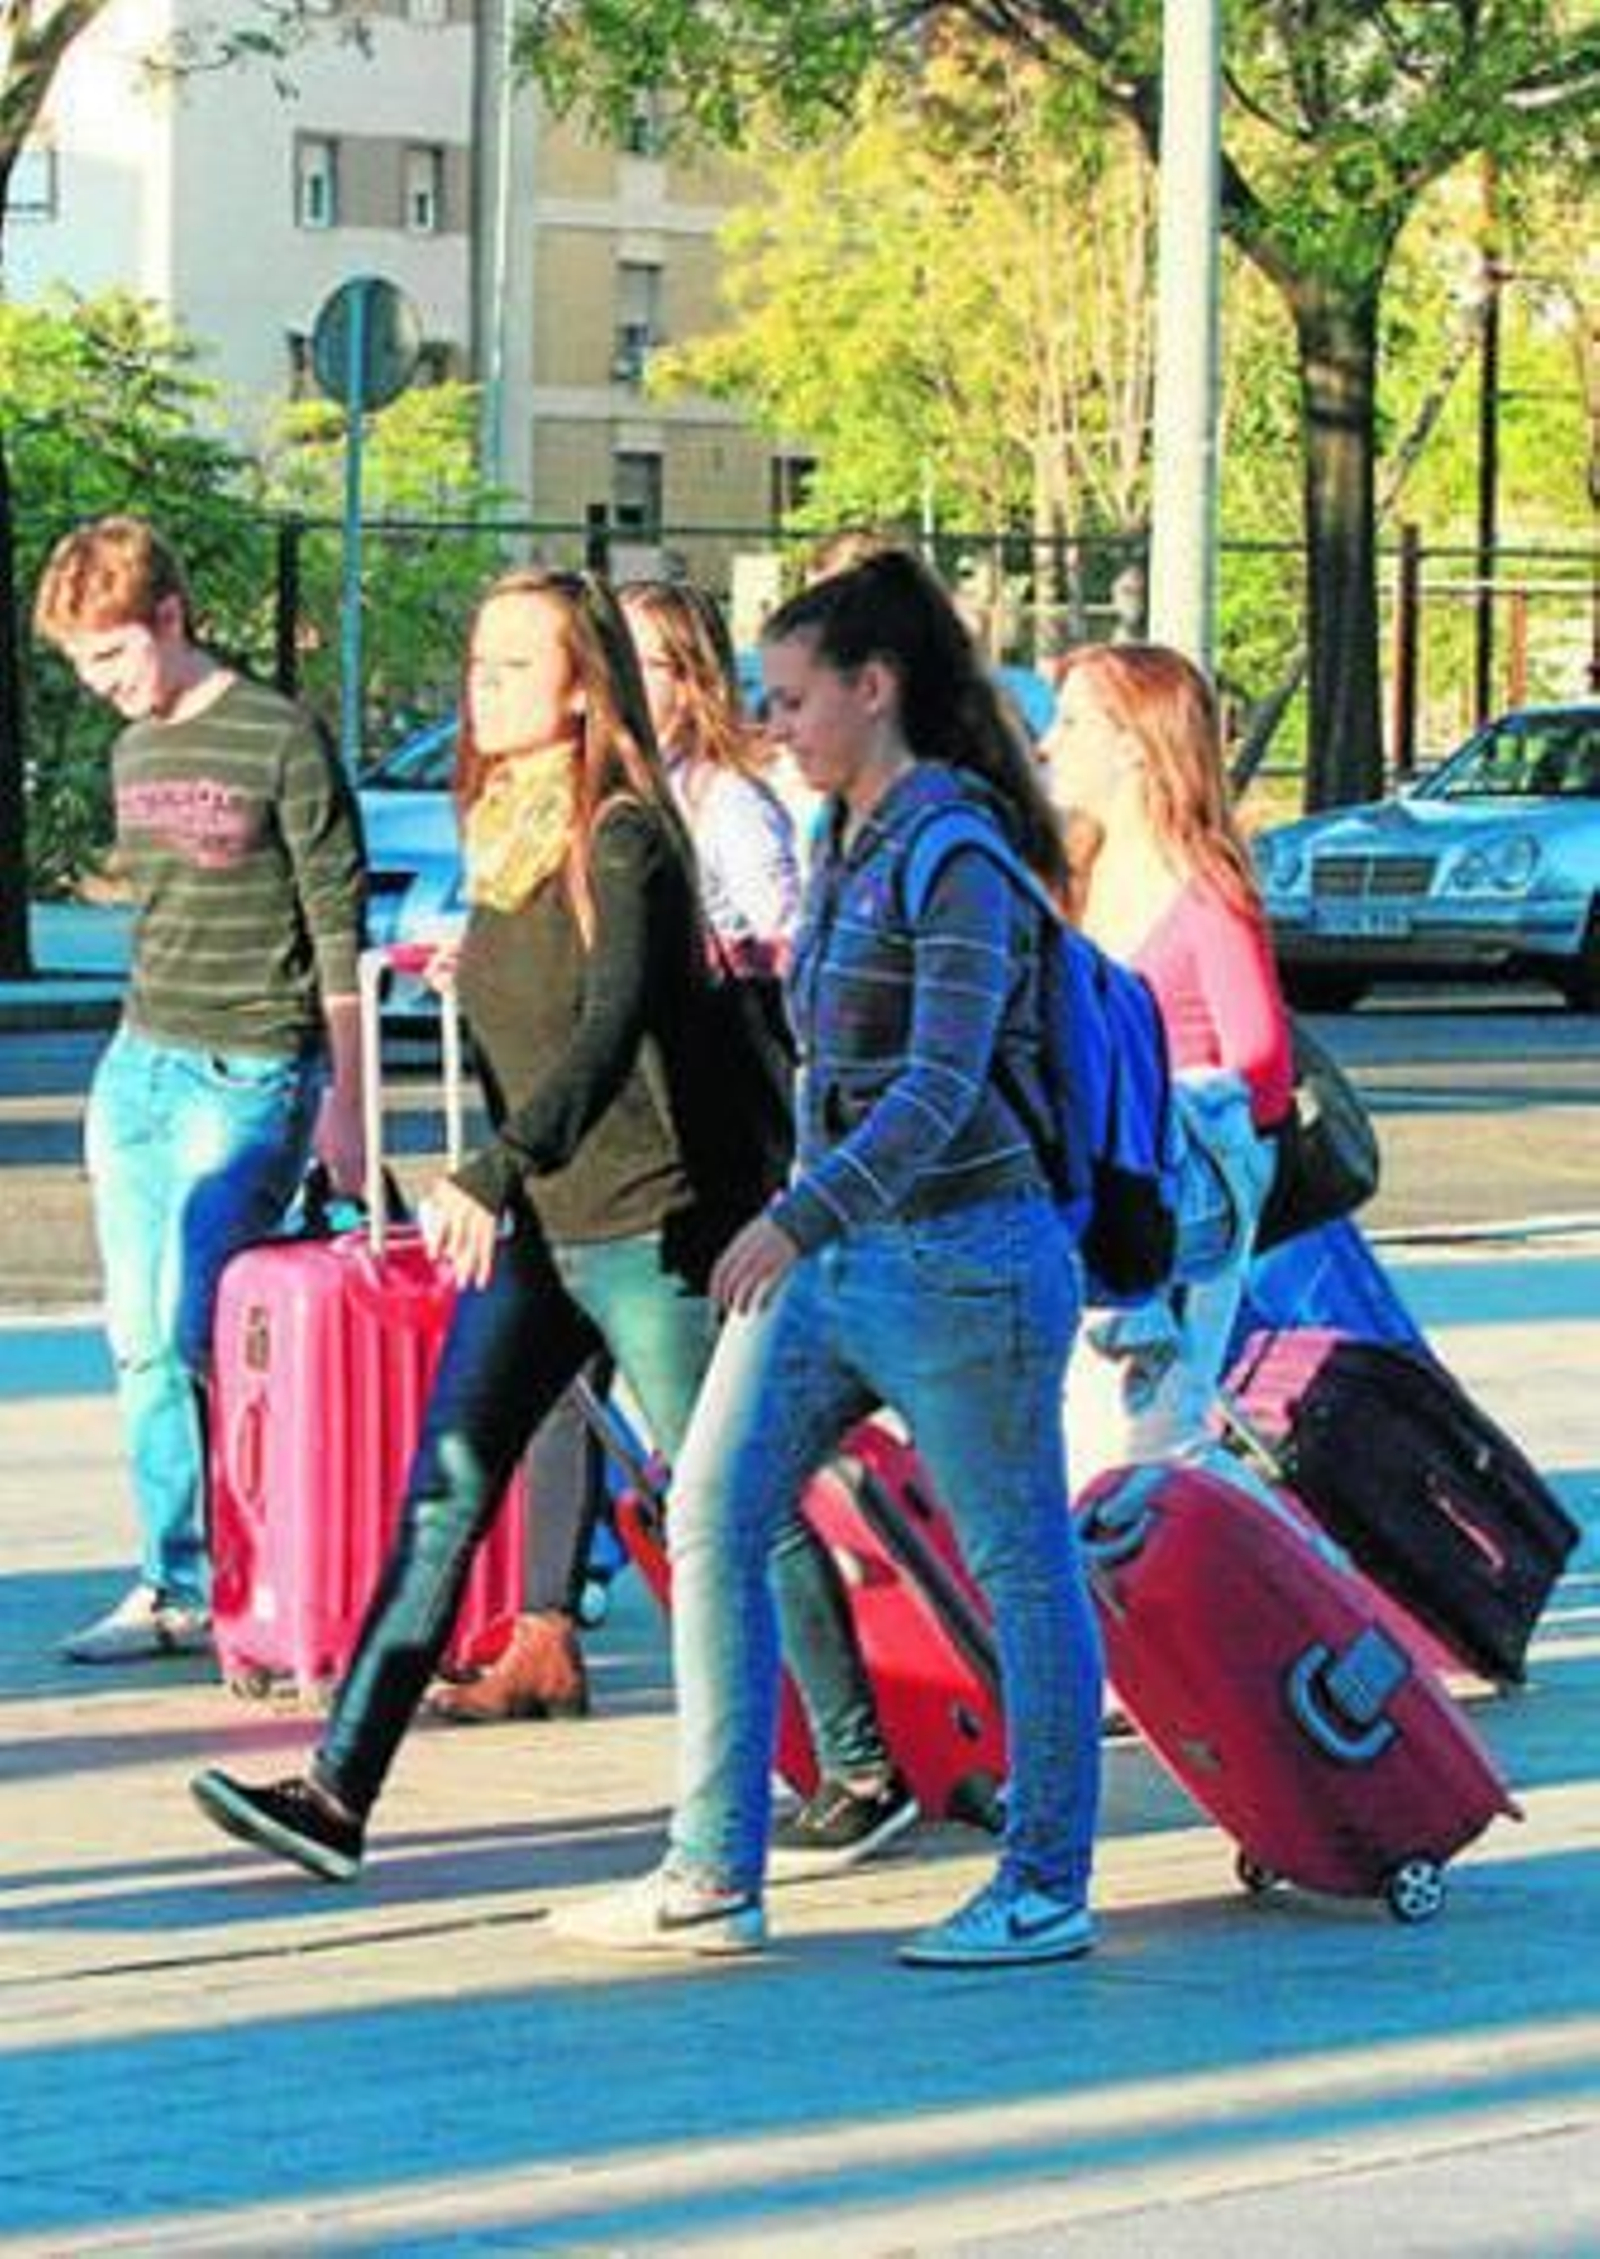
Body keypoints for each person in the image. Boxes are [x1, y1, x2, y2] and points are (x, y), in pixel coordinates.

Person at [556, 547, 1105, 1967]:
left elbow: (944, 1084)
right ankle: (710, 1874)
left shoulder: (958, 849)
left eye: (795, 696)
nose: (775, 721)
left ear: (877, 688)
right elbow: (828, 1069)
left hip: (967, 1260)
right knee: (710, 1507)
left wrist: (797, 1215)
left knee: (1019, 1563)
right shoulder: (838, 833)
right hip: (842, 1258)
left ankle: (1045, 1883)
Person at [187, 566, 761, 1880]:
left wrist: (491, 1168)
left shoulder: (624, 835)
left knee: (728, 1508)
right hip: (540, 1238)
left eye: (513, 666)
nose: (481, 688)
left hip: (643, 1227)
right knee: (443, 1493)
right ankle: (336, 1795)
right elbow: (543, 1005)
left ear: (583, 688)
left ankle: (859, 1759)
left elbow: (610, 1035)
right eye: (478, 662)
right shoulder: (505, 826)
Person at [423, 575, 804, 1727]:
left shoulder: (706, 809)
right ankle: (542, 1635)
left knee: (720, 1470)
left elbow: (774, 964)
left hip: (669, 1170)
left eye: (649, 663)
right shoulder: (543, 809)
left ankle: (843, 1736)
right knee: (546, 1412)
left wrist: (683, 961)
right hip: (571, 1175)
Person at [33, 516, 366, 1665]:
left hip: (252, 1068)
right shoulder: (134, 751)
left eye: (114, 653)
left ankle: (261, 1562)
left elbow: (337, 926)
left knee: (194, 1327)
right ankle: (174, 1581)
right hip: (142, 1065)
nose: (102, 682)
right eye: (81, 662)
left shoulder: (280, 736)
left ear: (170, 617)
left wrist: (345, 1103)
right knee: (137, 1337)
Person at [1045, 643, 1294, 1489]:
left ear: (1134, 743)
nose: (1048, 742)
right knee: (1075, 1454)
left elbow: (1263, 1073)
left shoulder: (1205, 890)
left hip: (1168, 1215)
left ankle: (1238, 1567)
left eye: (1073, 722)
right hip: (1077, 1211)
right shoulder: (1072, 880)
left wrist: (1159, 1113)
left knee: (1149, 1454)